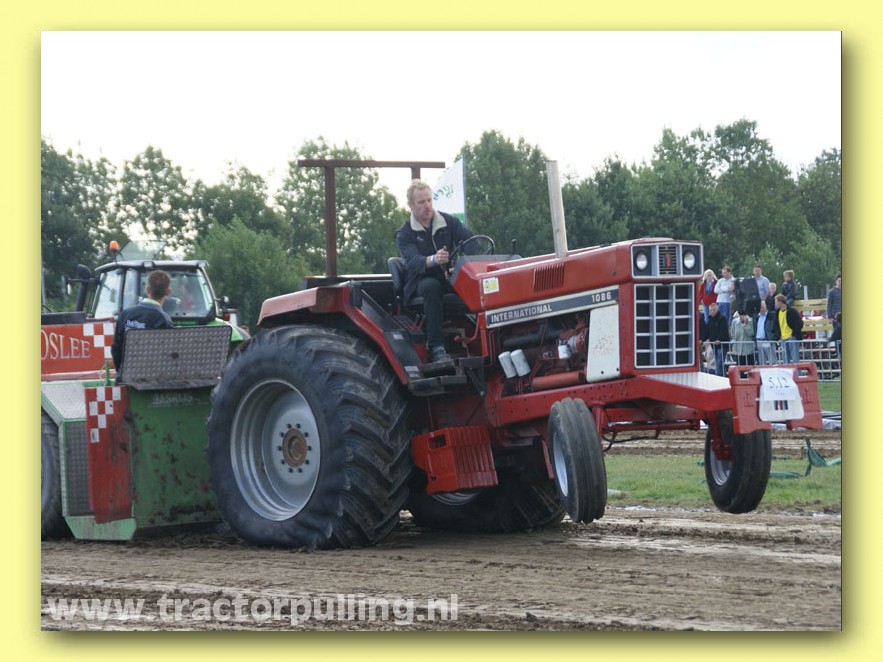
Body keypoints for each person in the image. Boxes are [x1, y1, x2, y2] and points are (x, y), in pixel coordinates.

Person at [395, 179, 474, 362]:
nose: (427, 206)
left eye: (429, 200)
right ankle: (437, 347)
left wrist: (458, 268)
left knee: (473, 282)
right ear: (411, 205)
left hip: (447, 277)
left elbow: (471, 242)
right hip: (419, 281)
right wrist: (434, 259)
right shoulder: (405, 233)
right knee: (432, 286)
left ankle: (480, 336)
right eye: (421, 202)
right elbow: (413, 262)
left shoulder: (448, 222)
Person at [111, 270, 175, 374]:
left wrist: (122, 373)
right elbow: (169, 355)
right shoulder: (163, 319)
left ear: (147, 289)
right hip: (151, 378)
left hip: (126, 375)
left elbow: (115, 348)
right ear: (168, 292)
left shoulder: (125, 314)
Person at [772, 293, 803, 364]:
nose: (775, 304)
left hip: (792, 338)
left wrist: (793, 333)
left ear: (780, 302)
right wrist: (778, 335)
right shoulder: (777, 313)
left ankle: (797, 371)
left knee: (795, 359)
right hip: (783, 338)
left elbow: (800, 323)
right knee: (785, 360)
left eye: (776, 302)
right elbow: (776, 325)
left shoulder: (792, 311)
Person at [703, 302, 730, 377]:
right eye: (710, 310)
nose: (712, 312)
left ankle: (720, 377)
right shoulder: (710, 320)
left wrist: (719, 340)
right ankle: (722, 377)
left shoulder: (722, 319)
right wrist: (704, 339)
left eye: (713, 310)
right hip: (714, 346)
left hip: (722, 345)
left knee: (719, 363)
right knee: (718, 364)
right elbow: (707, 332)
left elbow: (724, 332)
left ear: (717, 310)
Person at [754, 299, 776, 365]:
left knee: (772, 361)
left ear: (766, 306)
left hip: (767, 340)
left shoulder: (771, 316)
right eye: (760, 307)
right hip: (759, 341)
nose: (761, 309)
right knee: (761, 362)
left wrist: (773, 337)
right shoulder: (756, 317)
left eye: (762, 307)